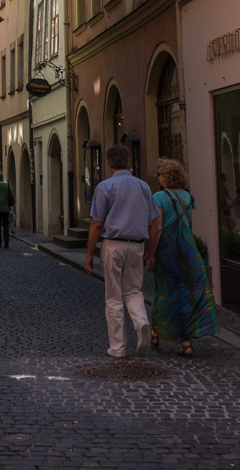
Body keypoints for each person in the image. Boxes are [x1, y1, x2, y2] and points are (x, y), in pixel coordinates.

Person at [84, 144, 161, 359]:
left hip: (113, 245)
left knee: (114, 296)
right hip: (137, 244)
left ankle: (118, 347)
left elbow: (96, 224)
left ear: (109, 164)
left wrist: (90, 253)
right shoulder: (144, 187)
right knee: (134, 291)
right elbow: (155, 224)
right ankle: (142, 322)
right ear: (128, 162)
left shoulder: (105, 187)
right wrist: (151, 252)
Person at [149, 157, 219, 358]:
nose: (159, 177)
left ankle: (169, 336)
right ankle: (175, 337)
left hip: (167, 250)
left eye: (160, 174)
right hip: (188, 249)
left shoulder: (159, 198)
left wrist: (151, 253)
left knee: (164, 291)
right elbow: (188, 224)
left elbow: (157, 227)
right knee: (188, 292)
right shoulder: (189, 198)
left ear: (166, 177)